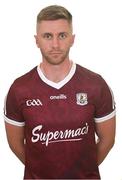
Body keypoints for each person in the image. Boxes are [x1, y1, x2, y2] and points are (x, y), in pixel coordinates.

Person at [4, 5, 116, 179]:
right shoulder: (19, 89)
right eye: (47, 36)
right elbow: (15, 144)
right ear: (36, 40)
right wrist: (42, 171)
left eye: (62, 36)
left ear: (72, 39)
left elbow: (107, 141)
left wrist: (82, 171)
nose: (55, 44)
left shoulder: (96, 85)